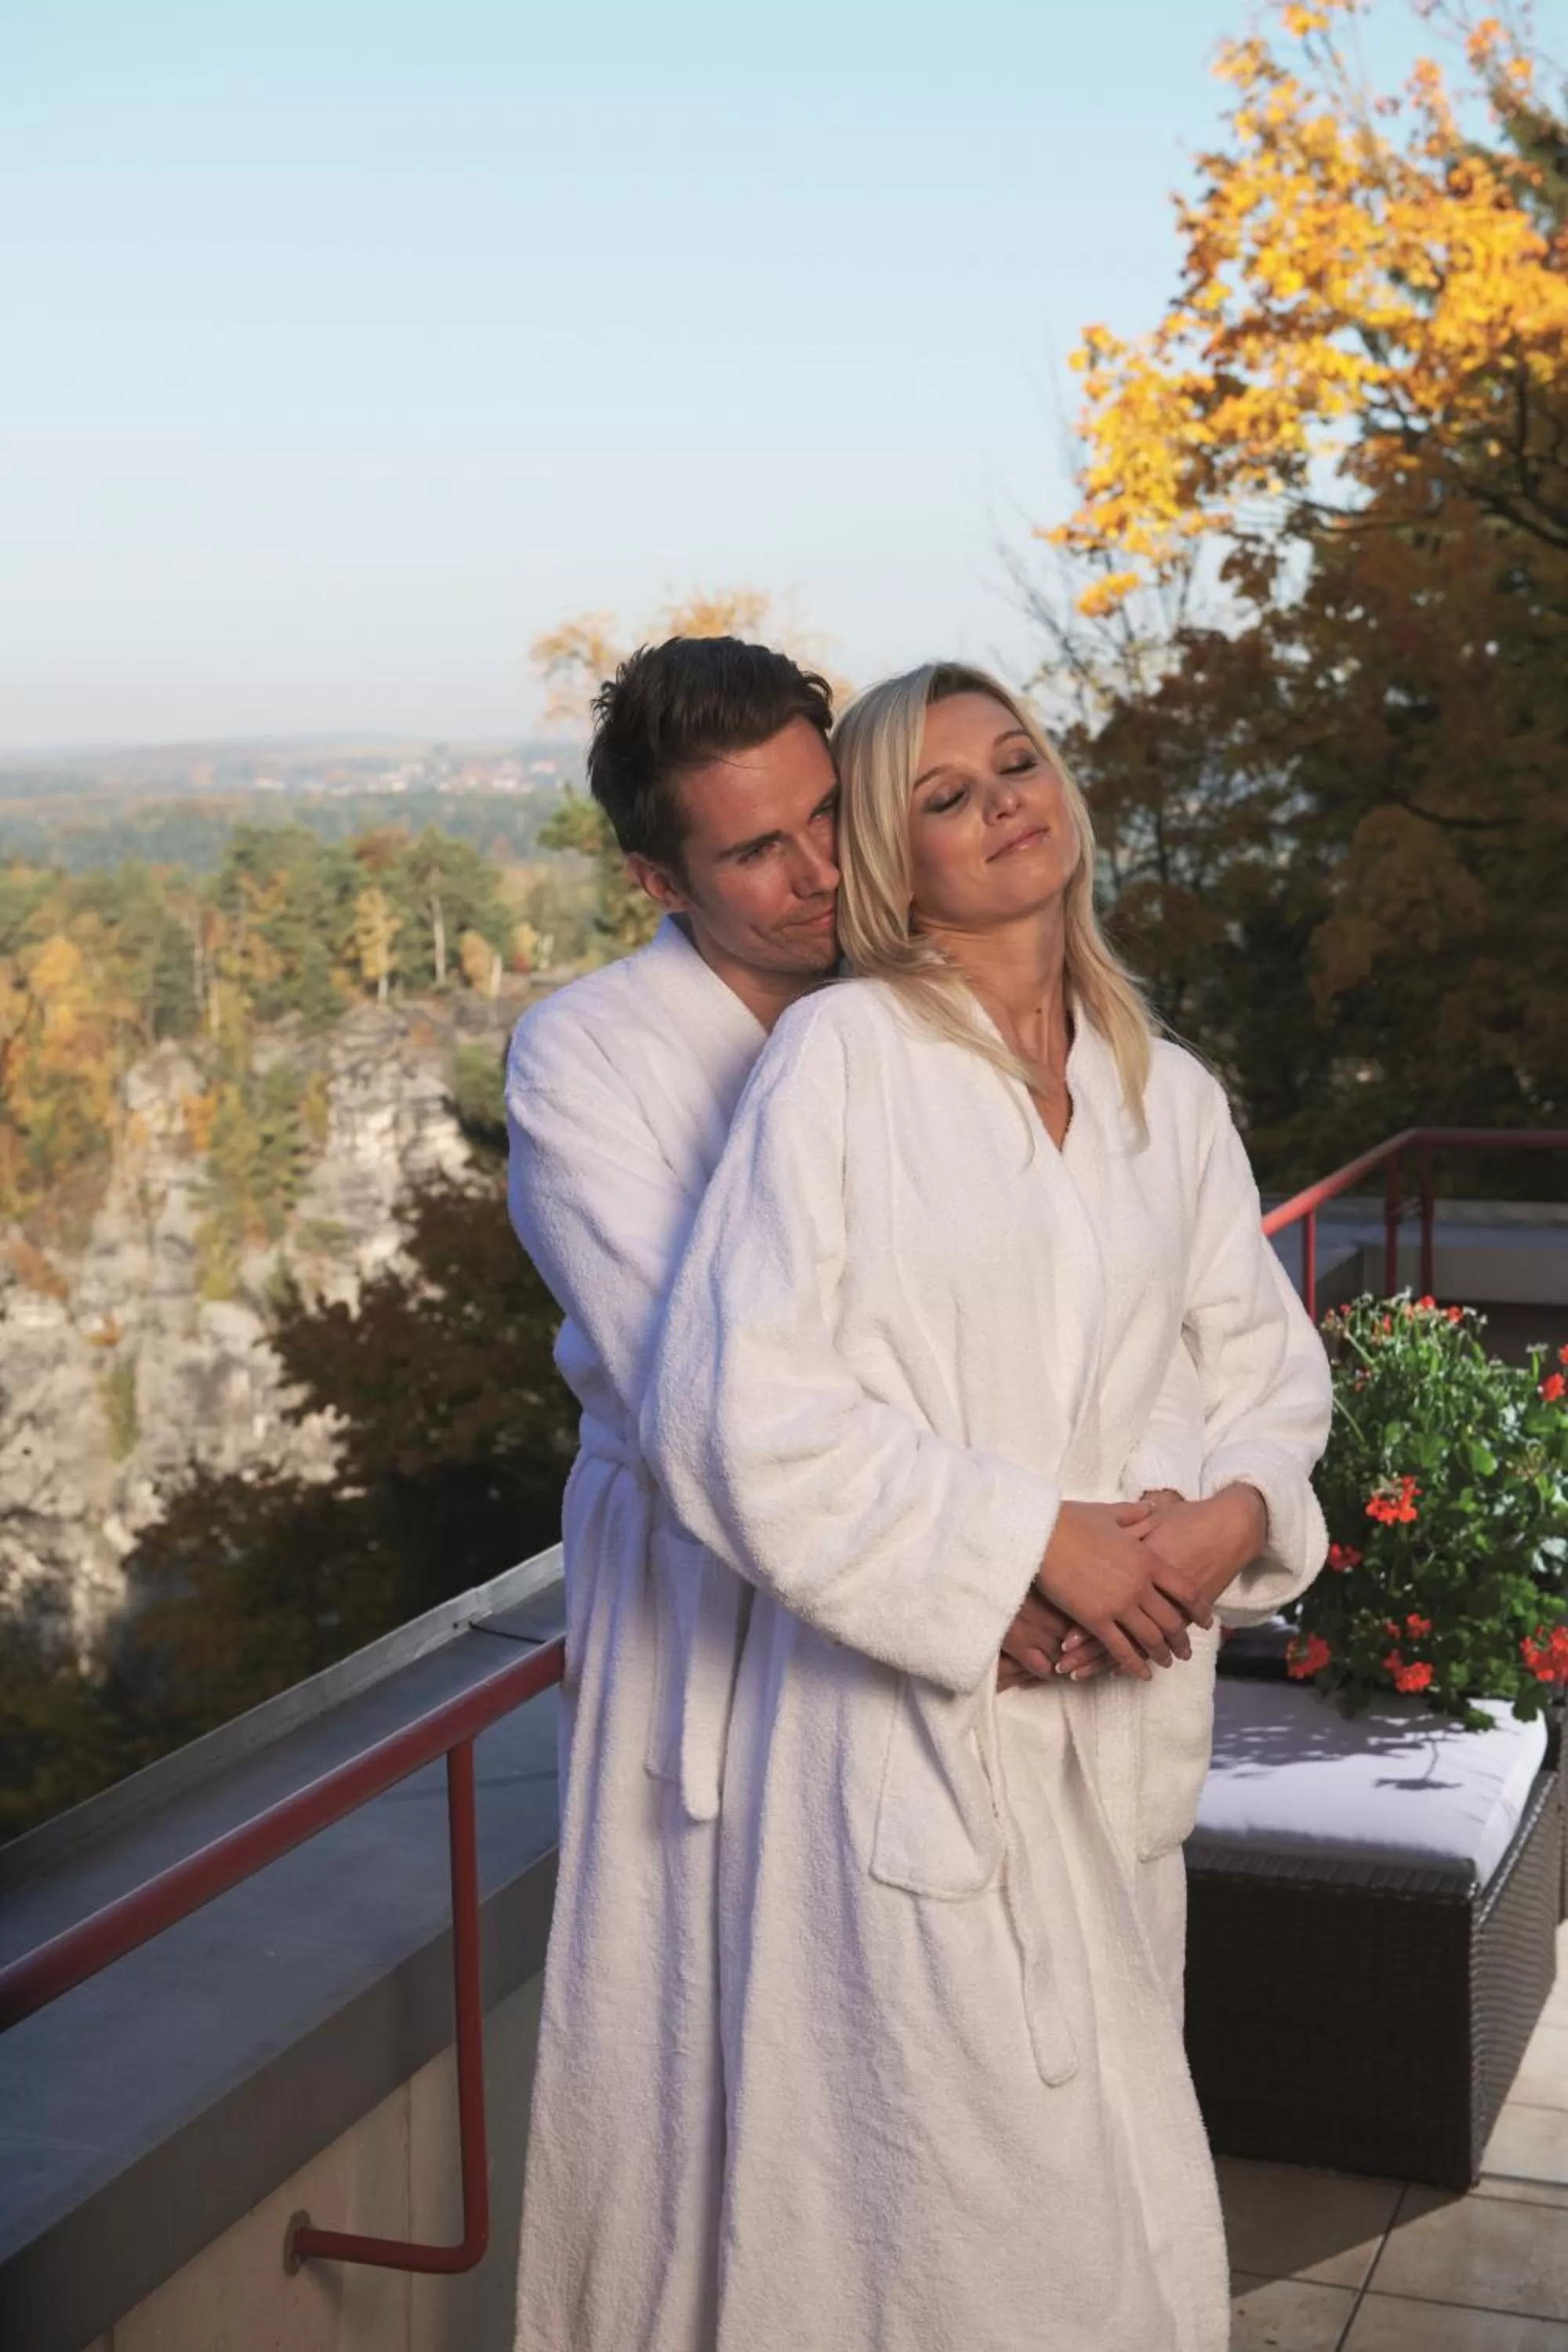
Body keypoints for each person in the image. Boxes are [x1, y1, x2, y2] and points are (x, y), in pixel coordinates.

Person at [641, 661, 1332, 2352]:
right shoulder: (846, 1062)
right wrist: (1029, 1541)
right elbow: (741, 1408)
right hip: (920, 1752)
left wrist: (1229, 1519)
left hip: (1119, 1746)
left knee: (1120, 2211)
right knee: (952, 2248)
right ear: (896, 857)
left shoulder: (1160, 1085)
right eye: (943, 797)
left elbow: (1265, 1363)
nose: (1003, 802)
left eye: (1015, 764)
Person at [505, 637, 1112, 2349]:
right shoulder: (587, 1060)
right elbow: (699, 1397)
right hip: (719, 1610)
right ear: (654, 877)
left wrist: (1045, 1553)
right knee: (699, 2101)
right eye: (752, 852)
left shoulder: (930, 1010)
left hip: (964, 1597)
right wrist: (1001, 1566)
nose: (812, 875)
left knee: (943, 2116)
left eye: (821, 820)